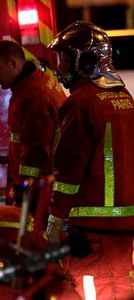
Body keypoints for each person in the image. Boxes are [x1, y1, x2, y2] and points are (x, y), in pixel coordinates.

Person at [45, 21, 134, 299]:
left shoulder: (80, 103)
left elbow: (68, 172)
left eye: (65, 60)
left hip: (91, 233)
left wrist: (55, 219)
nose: (60, 68)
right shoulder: (124, 99)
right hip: (124, 232)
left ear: (85, 61)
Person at [0, 40, 66, 206]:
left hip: (39, 189)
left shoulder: (33, 94)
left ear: (13, 63)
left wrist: (24, 190)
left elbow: (36, 151)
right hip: (43, 185)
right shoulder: (31, 85)